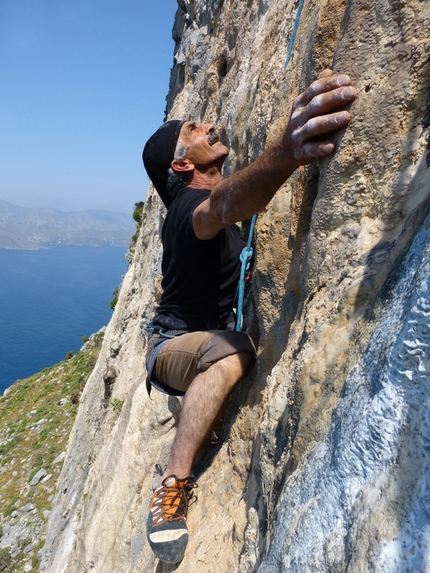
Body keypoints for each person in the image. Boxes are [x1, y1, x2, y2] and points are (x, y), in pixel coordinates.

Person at [142, 69, 356, 564]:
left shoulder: (205, 209)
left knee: (226, 345)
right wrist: (288, 150)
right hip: (170, 347)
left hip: (197, 339)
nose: (208, 127)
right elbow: (218, 205)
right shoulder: (188, 210)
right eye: (193, 130)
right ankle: (173, 484)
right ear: (181, 164)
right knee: (233, 350)